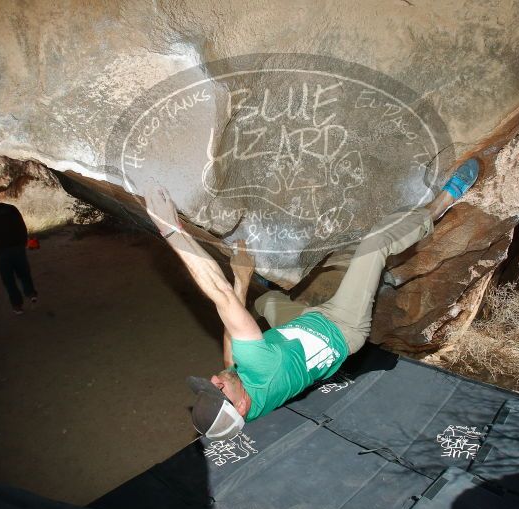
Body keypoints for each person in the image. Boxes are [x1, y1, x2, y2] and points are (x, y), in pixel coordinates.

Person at [146, 159, 481, 440]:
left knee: (266, 303)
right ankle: (439, 207)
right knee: (373, 248)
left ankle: (269, 289)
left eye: (210, 384)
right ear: (243, 406)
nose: (216, 380)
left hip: (298, 331)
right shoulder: (262, 368)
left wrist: (244, 284)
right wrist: (172, 231)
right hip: (341, 326)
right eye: (218, 391)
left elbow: (230, 344)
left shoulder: (248, 396)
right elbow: (222, 298)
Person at [0, 187, 38, 314]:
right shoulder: (10, 209)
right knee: (24, 272)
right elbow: (22, 226)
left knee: (8, 279)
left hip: (1, 251)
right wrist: (22, 242)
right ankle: (31, 293)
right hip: (17, 247)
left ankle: (17, 305)